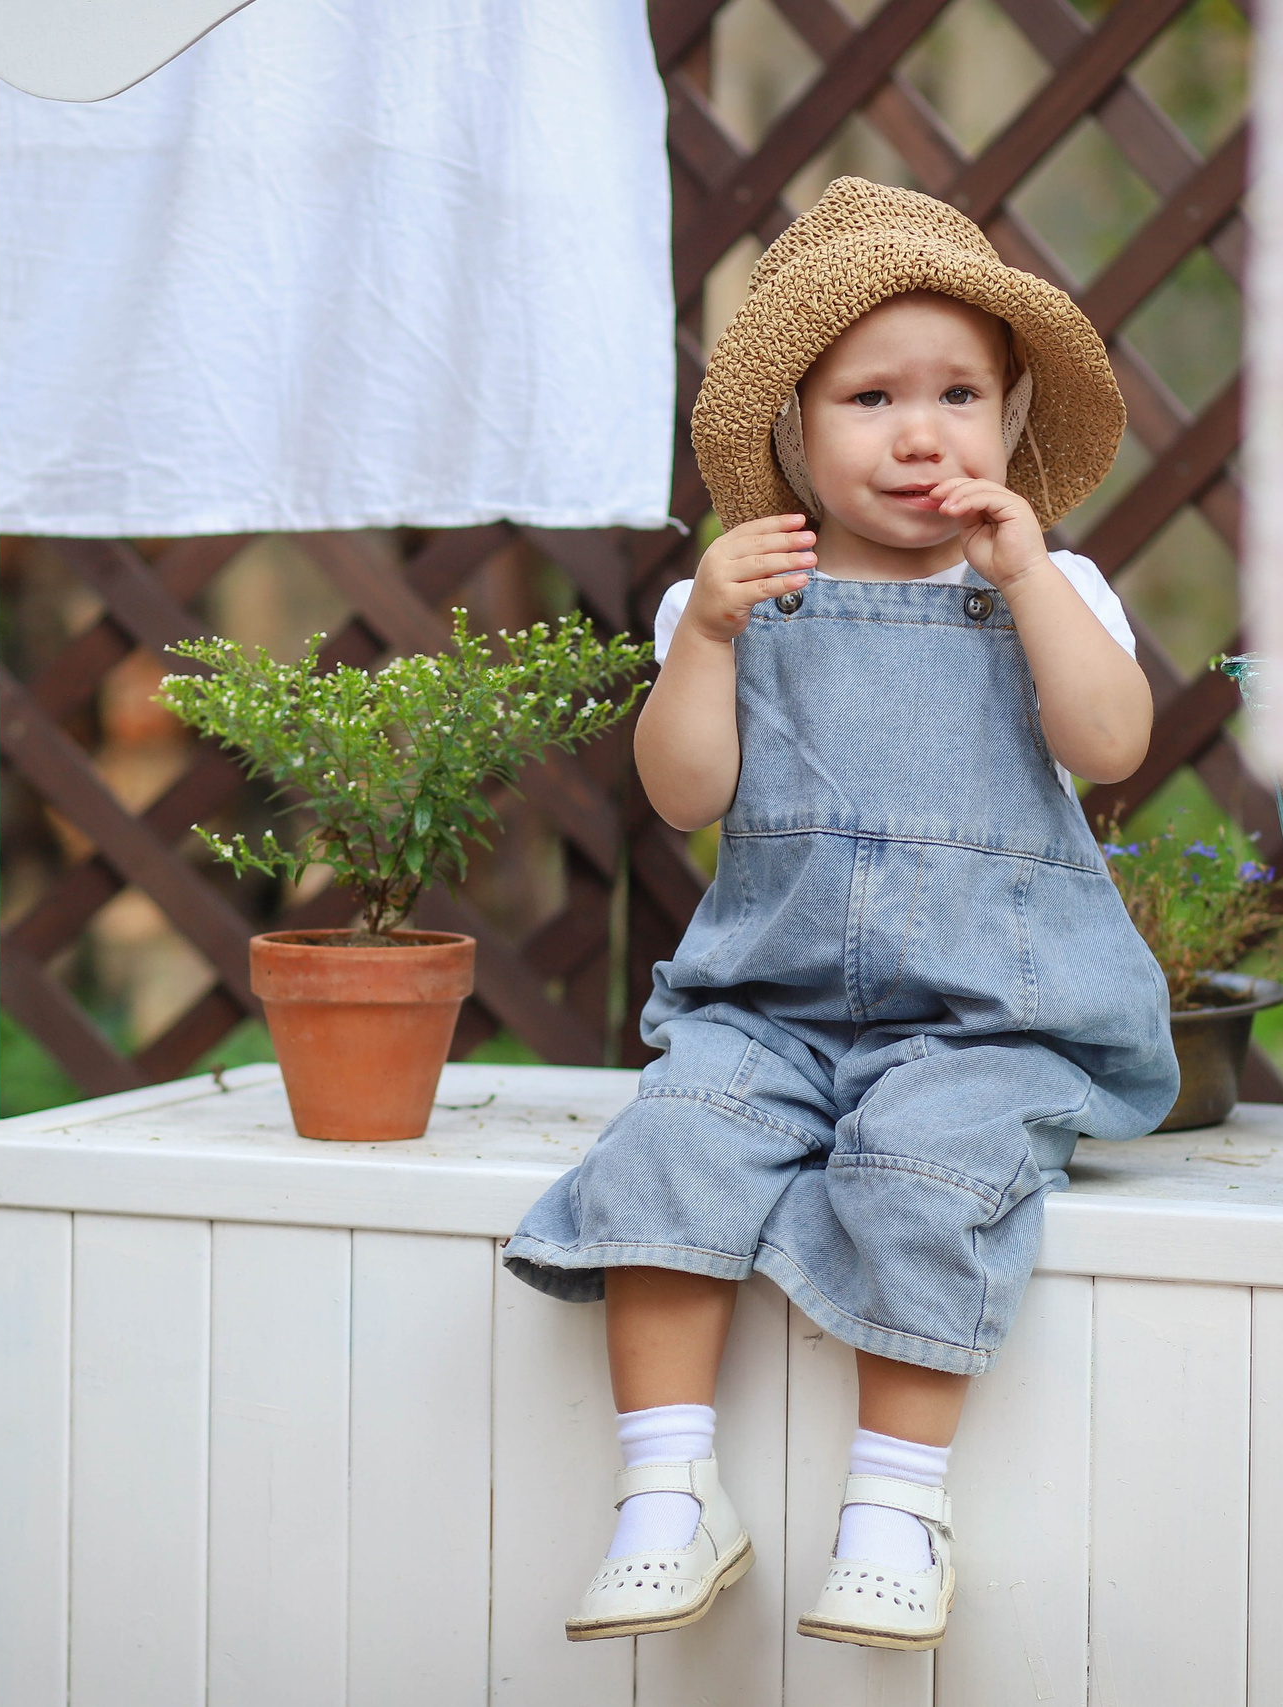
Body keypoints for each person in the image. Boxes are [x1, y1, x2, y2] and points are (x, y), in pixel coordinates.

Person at [503, 177, 1177, 1652]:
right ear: (795, 436)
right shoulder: (743, 598)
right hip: (775, 1008)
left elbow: (1113, 741)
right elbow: (683, 792)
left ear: (1010, 420)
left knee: (924, 1166)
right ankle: (667, 1490)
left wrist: (1028, 579)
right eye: (872, 399)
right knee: (668, 1150)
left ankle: (896, 1504)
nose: (921, 434)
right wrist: (708, 634)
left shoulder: (1049, 585)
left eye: (958, 396)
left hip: (991, 1019)